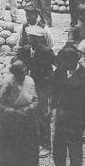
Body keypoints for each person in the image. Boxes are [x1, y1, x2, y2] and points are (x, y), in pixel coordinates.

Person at [48, 46, 85, 166]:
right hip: (61, 116)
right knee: (58, 145)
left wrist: (79, 120)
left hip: (77, 119)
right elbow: (55, 90)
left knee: (75, 147)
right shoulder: (60, 71)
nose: (62, 64)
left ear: (74, 60)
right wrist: (52, 108)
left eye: (65, 61)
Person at [0, 60, 39, 166]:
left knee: (28, 147)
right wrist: (12, 112)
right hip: (10, 120)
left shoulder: (30, 81)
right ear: (14, 74)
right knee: (10, 149)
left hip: (26, 118)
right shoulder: (7, 83)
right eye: (19, 73)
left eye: (24, 72)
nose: (22, 76)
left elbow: (36, 100)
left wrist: (28, 108)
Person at [16, 25, 56, 157]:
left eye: (34, 38)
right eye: (30, 37)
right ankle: (31, 142)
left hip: (42, 86)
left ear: (39, 39)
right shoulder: (25, 50)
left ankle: (46, 145)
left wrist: (47, 81)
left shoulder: (46, 52)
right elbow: (19, 64)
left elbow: (55, 66)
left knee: (42, 115)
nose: (31, 40)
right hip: (28, 85)